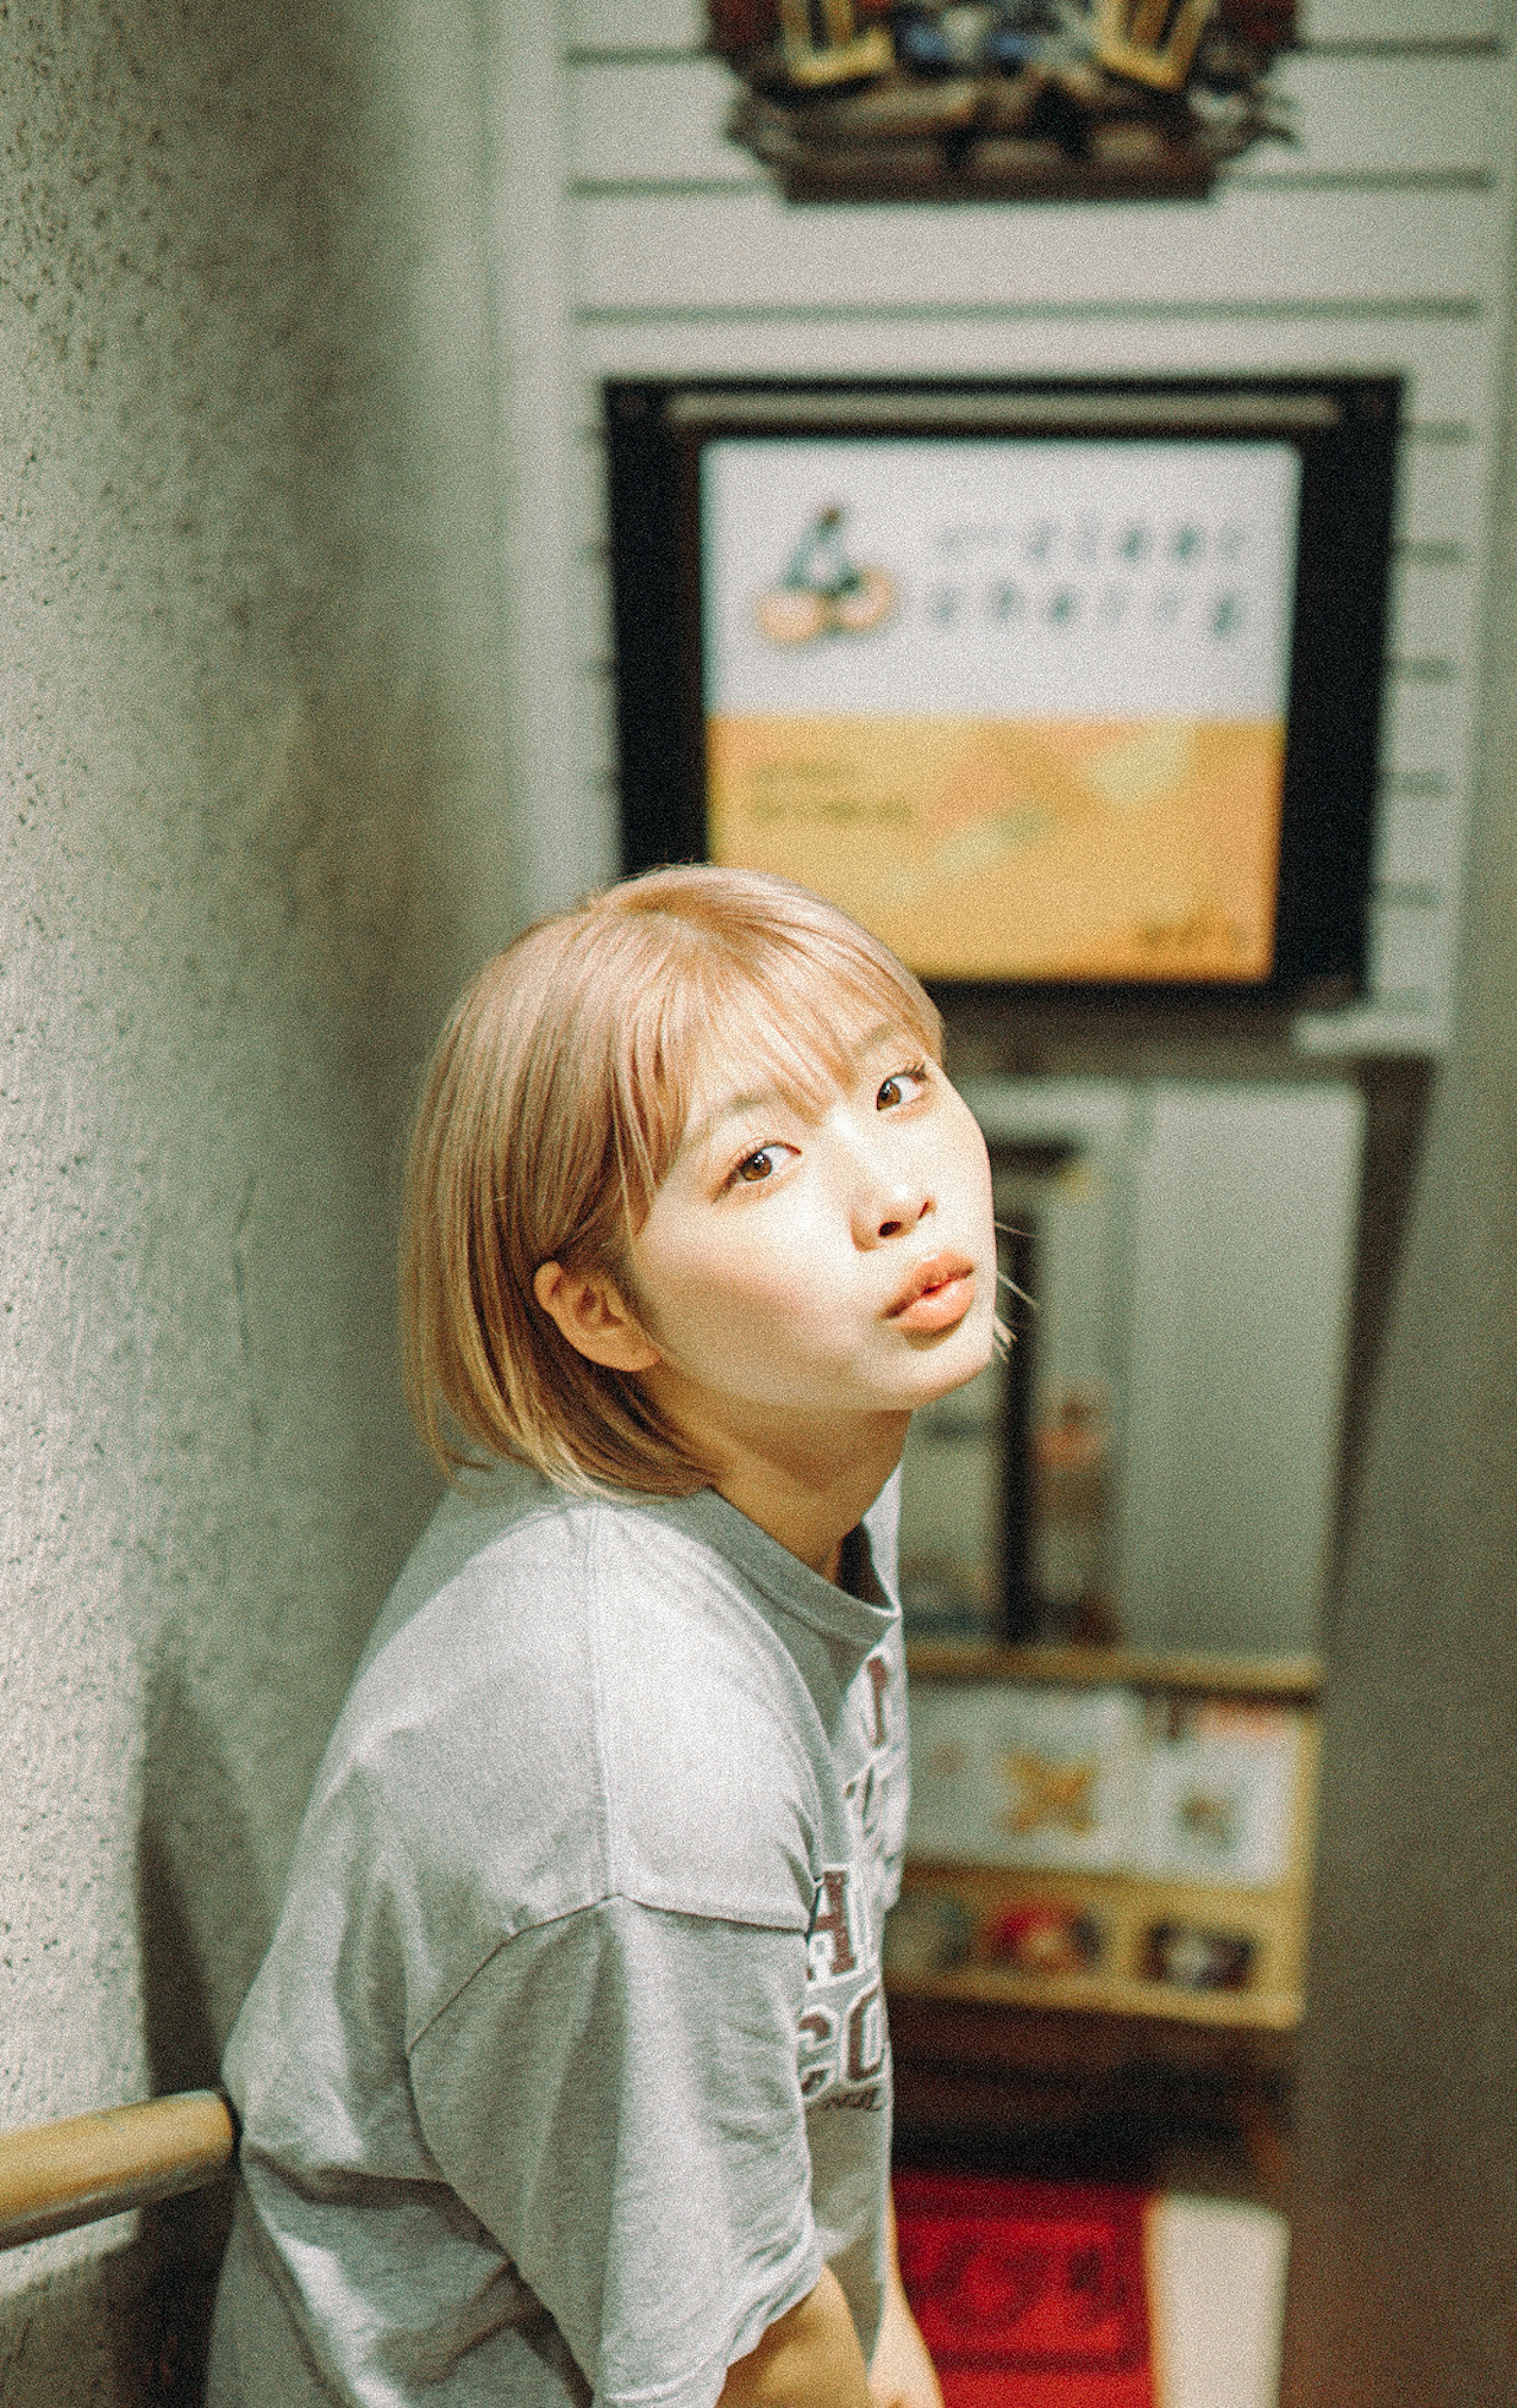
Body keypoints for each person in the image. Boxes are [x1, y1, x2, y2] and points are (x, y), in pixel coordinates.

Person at [206, 865, 999, 2408]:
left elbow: (802, 2052)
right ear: (600, 1315)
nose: (896, 1188)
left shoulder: (809, 1452)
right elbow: (744, 2364)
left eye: (899, 1085)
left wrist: (880, 2308)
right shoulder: (635, 1759)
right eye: (759, 1162)